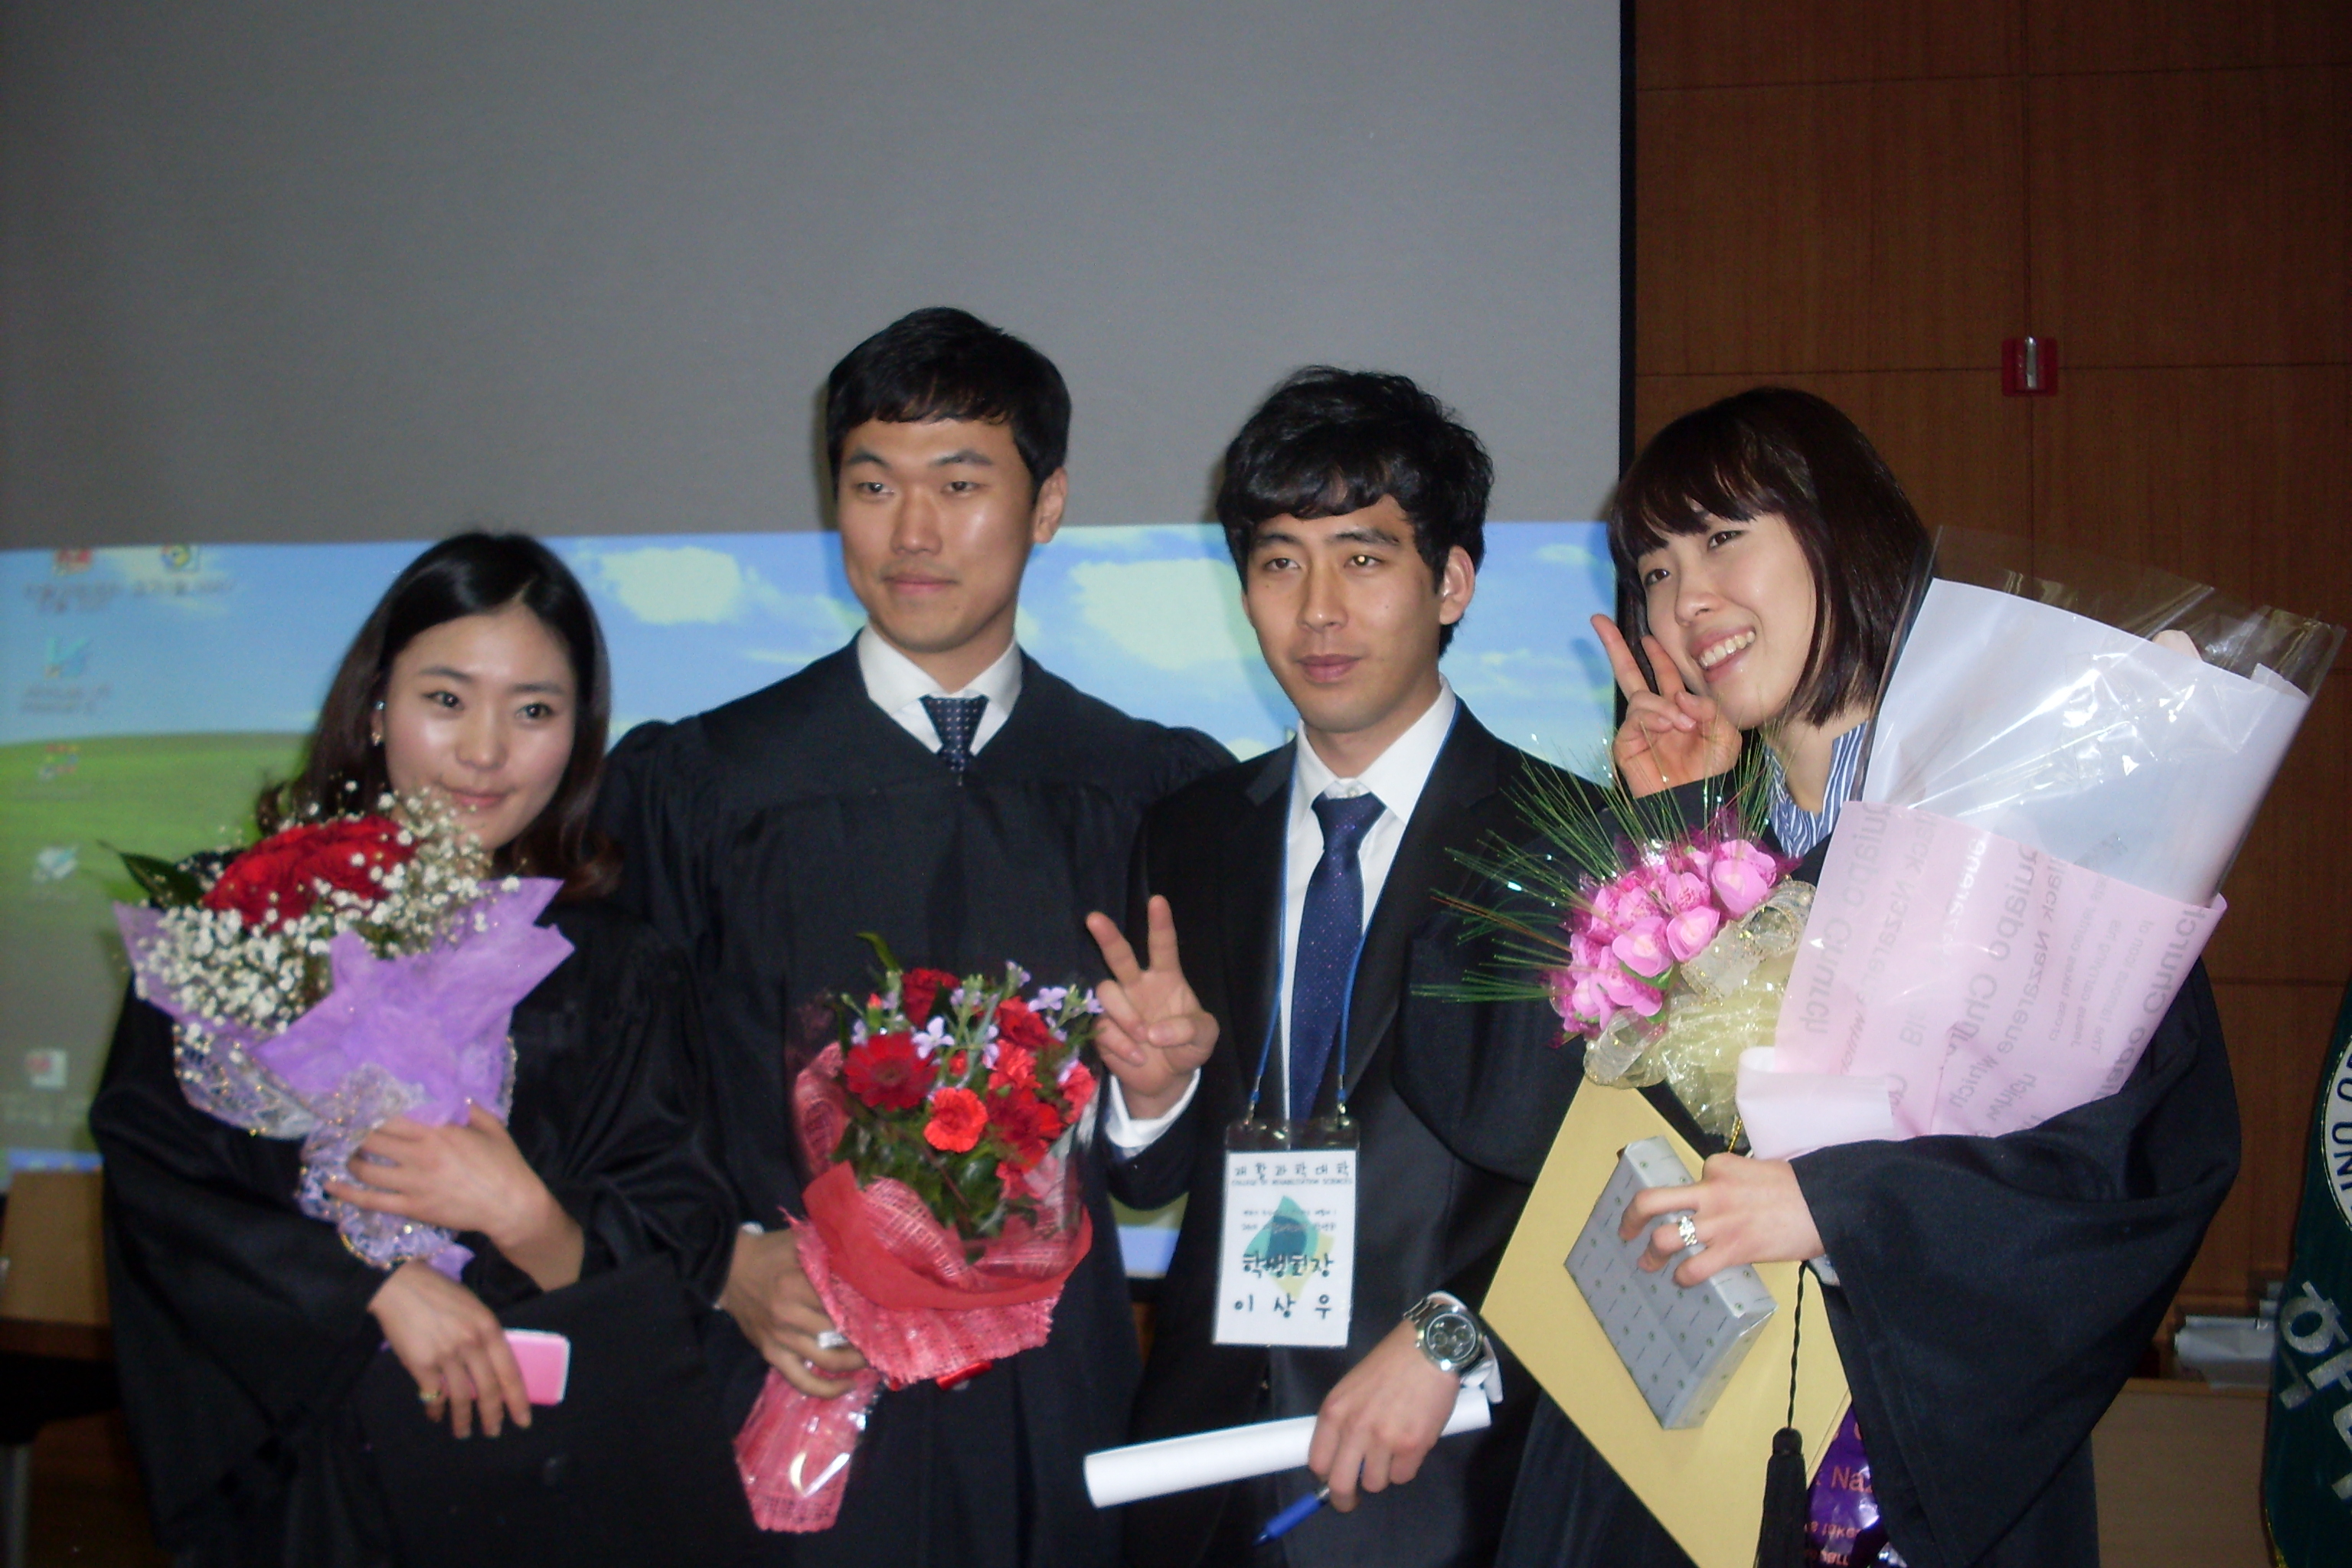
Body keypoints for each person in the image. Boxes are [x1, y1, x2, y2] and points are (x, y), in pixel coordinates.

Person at [1477, 388, 2240, 1568]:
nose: (1687, 601)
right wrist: (1672, 828)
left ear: (1839, 527)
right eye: (1657, 570)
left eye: (1723, 538)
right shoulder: (1689, 850)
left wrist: (1842, 1210)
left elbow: (2136, 1167)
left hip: (1911, 1470)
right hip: (1676, 1463)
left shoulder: (2019, 829)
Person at [596, 306, 1229, 1568]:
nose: (913, 532)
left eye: (961, 483)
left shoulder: (1149, 788)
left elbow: (1155, 1170)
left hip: (1048, 1384)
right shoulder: (703, 784)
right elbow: (620, 1097)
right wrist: (723, 1263)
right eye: (873, 485)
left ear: (1048, 506)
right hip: (786, 1361)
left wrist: (1155, 1095)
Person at [90, 533, 745, 1566]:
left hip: (535, 1487)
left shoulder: (620, 970)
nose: (485, 752)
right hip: (305, 1483)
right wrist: (370, 1292)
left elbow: (682, 1239)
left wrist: (527, 1216)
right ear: (374, 708)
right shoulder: (246, 916)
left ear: (578, 739)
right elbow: (162, 1184)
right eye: (446, 699)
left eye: (534, 711)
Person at [1085, 368, 1602, 1568]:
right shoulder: (1190, 832)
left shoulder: (1571, 846)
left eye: (1363, 558)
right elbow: (1153, 1171)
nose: (1318, 610)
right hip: (1202, 1479)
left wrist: (1453, 1334)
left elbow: (1610, 1182)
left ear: (1452, 581)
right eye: (1280, 562)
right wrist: (1152, 1094)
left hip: (1446, 1483)